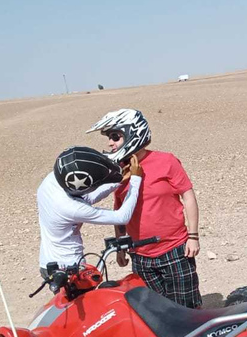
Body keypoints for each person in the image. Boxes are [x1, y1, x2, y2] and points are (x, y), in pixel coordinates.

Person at [86, 109, 202, 308]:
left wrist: (193, 236)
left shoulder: (166, 161)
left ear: (133, 133)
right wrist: (120, 247)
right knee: (156, 313)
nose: (110, 143)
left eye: (115, 137)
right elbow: (119, 209)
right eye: (109, 138)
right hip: (140, 256)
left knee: (187, 310)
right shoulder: (119, 171)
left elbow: (188, 197)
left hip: (175, 250)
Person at [37, 146, 143, 277]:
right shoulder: (71, 207)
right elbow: (121, 217)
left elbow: (86, 197)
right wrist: (135, 180)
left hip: (49, 262)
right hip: (68, 268)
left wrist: (118, 181)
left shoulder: (53, 179)